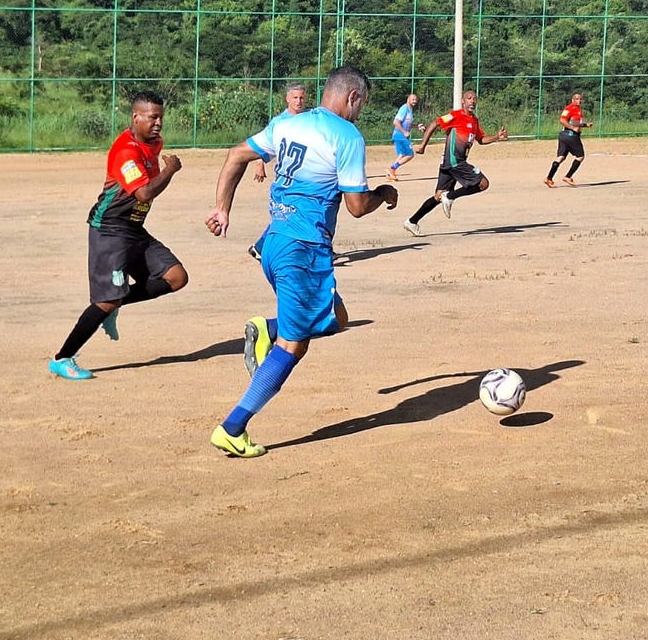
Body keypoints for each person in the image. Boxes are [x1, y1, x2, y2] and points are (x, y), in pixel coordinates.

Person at [204, 65, 398, 457]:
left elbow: (237, 154)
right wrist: (383, 193)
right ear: (353, 98)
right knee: (294, 346)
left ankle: (268, 328)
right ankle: (233, 427)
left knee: (337, 317)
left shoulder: (286, 124)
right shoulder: (347, 136)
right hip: (303, 251)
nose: (359, 112)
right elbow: (357, 207)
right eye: (362, 105)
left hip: (274, 242)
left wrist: (222, 209)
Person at [48, 91, 187, 380]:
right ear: (136, 117)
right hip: (110, 230)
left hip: (134, 229)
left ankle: (114, 303)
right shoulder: (126, 151)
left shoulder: (153, 143)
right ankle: (62, 359)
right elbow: (144, 192)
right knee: (106, 300)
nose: (159, 123)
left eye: (161, 117)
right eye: (153, 117)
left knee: (176, 277)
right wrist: (170, 171)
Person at [402, 88, 508, 236]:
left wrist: (497, 137)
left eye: (474, 98)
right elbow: (435, 123)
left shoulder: (474, 121)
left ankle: (412, 222)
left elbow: (481, 140)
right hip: (454, 161)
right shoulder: (455, 115)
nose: (473, 101)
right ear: (463, 101)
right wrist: (423, 146)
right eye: (469, 98)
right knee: (483, 183)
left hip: (453, 163)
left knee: (438, 196)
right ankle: (450, 197)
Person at [248, 81, 308, 261]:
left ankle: (261, 247)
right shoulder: (279, 122)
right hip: (286, 176)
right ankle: (259, 247)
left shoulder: (308, 119)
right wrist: (260, 162)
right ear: (287, 99)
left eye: (301, 98)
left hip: (304, 174)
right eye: (295, 97)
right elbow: (266, 144)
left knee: (297, 213)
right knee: (287, 214)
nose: (298, 101)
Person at [544, 91, 593, 187]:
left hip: (563, 136)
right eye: (577, 99)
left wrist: (585, 125)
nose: (579, 101)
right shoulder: (570, 108)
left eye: (580, 99)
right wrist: (571, 128)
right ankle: (568, 176)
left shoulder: (576, 109)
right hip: (571, 136)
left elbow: (576, 123)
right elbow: (562, 120)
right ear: (572, 100)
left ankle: (549, 178)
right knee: (580, 156)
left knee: (561, 157)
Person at [386, 92, 426, 180]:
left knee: (402, 154)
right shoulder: (404, 108)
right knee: (410, 154)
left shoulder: (410, 110)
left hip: (400, 135)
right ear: (408, 100)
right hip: (400, 135)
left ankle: (390, 174)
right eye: (413, 99)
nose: (414, 101)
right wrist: (404, 132)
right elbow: (396, 122)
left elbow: (407, 123)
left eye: (416, 100)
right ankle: (392, 168)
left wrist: (417, 126)